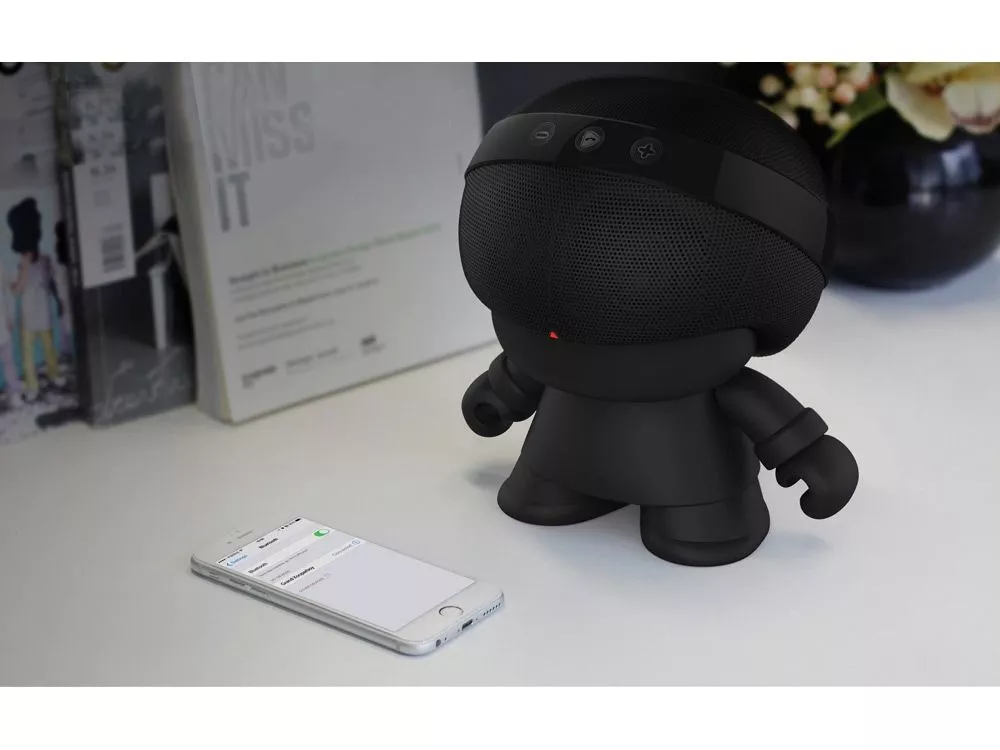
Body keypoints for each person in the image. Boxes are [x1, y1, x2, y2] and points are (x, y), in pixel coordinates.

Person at [7, 198, 66, 402]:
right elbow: (16, 291)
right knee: (28, 354)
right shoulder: (18, 266)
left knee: (50, 348)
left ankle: (54, 374)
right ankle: (32, 385)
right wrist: (24, 268)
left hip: (44, 315)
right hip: (27, 318)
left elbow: (52, 283)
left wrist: (59, 301)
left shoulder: (46, 261)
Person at [0, 258, 23, 407]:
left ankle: (14, 393)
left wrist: (10, 316)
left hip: (2, 322)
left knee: (8, 360)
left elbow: (7, 292)